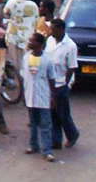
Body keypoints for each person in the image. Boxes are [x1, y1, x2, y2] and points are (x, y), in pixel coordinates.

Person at [20, 31, 57, 161]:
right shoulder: (26, 57)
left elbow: (52, 79)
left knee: (45, 125)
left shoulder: (47, 60)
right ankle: (33, 145)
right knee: (33, 123)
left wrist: (53, 96)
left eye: (32, 40)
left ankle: (47, 151)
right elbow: (24, 76)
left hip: (43, 96)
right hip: (30, 95)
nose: (29, 42)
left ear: (40, 44)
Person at [45, 17, 80, 152]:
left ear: (61, 29)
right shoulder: (50, 41)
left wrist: (65, 85)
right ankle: (56, 140)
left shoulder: (70, 46)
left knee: (62, 113)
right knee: (52, 112)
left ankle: (72, 134)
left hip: (61, 83)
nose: (51, 31)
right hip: (51, 81)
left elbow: (71, 67)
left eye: (53, 29)